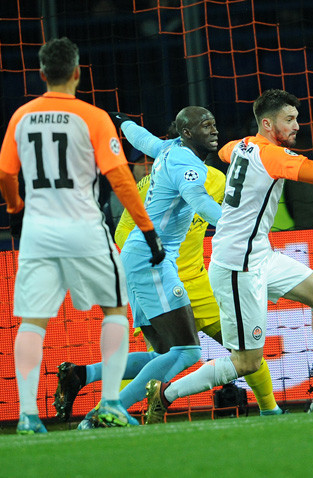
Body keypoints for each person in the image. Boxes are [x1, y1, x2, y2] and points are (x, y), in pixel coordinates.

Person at [145, 89, 313, 423]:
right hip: (237, 266)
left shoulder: (240, 145)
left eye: (297, 119)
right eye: (290, 119)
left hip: (259, 255)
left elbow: (225, 151)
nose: (297, 125)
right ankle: (165, 394)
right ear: (268, 124)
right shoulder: (272, 156)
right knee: (247, 362)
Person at [0, 37, 164, 434]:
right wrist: (147, 229)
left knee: (33, 322)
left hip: (39, 230)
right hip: (84, 227)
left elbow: (4, 173)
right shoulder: (92, 116)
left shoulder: (22, 116)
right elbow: (120, 178)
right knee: (114, 311)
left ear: (42, 74)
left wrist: (15, 209)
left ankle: (27, 415)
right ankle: (110, 404)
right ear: (76, 73)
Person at [54, 152, 285, 423]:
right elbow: (122, 232)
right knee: (166, 358)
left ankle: (270, 410)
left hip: (199, 286)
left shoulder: (217, 180)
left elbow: (235, 222)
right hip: (159, 282)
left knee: (243, 349)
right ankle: (100, 413)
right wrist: (155, 256)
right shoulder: (150, 184)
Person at [61, 106, 222, 428]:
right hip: (153, 260)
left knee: (162, 353)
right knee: (188, 351)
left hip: (139, 257)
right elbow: (199, 200)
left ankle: (83, 375)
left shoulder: (169, 148)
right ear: (187, 133)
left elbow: (144, 140)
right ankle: (107, 412)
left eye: (214, 123)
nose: (214, 130)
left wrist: (123, 122)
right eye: (206, 125)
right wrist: (239, 227)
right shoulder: (187, 164)